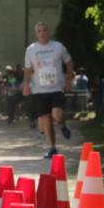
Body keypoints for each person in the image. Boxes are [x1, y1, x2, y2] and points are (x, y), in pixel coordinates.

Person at [23, 22, 75, 159]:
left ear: (48, 32)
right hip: (39, 90)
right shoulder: (31, 50)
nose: (42, 33)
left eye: (44, 30)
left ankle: (63, 124)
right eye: (39, 31)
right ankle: (52, 148)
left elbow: (69, 62)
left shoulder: (58, 47)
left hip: (56, 87)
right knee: (46, 119)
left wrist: (69, 80)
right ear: (36, 33)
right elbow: (28, 69)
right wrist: (26, 84)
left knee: (56, 114)